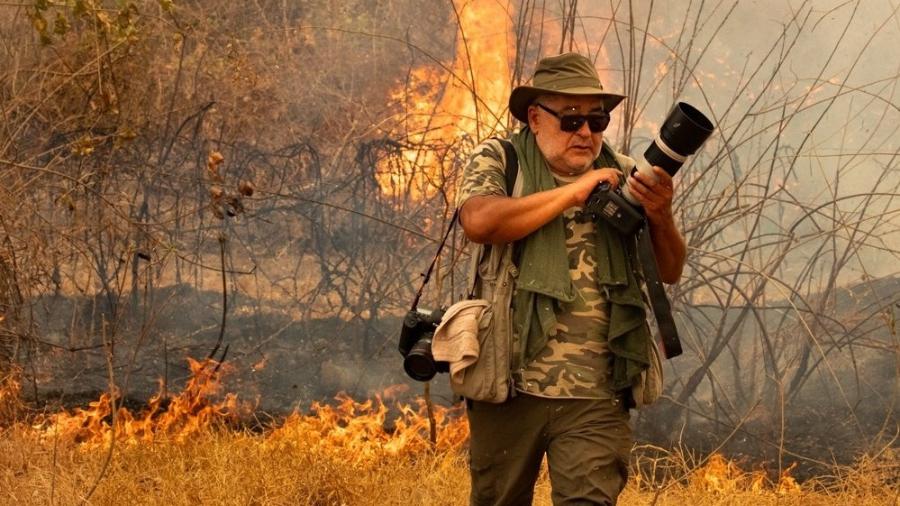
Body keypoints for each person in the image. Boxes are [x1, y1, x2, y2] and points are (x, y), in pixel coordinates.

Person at [456, 52, 687, 505]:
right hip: (508, 385)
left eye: (597, 120)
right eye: (571, 120)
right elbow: (479, 222)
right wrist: (573, 193)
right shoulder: (504, 160)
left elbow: (669, 271)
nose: (586, 132)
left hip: (597, 393)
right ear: (535, 117)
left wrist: (660, 216)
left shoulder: (623, 174)